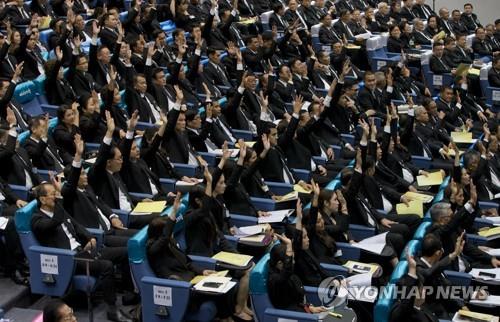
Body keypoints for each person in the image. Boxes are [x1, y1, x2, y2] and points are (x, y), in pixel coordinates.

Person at [147, 193, 253, 322]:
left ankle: (226, 317)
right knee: (221, 290)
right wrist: (174, 211)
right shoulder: (153, 249)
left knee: (227, 283)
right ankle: (226, 318)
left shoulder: (171, 243)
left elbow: (187, 262)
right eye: (169, 232)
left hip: (194, 278)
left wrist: (203, 271)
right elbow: (165, 237)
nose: (172, 233)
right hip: (182, 287)